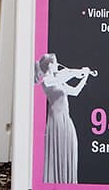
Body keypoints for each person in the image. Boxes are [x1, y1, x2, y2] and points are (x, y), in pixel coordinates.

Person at [35, 53, 93, 183]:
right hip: (56, 120)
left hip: (66, 120)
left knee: (68, 151)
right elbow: (61, 78)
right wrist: (75, 72)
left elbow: (75, 92)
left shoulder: (59, 81)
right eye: (55, 62)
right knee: (57, 153)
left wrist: (85, 76)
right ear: (50, 65)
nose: (57, 65)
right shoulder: (46, 81)